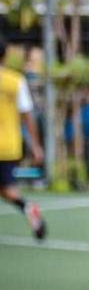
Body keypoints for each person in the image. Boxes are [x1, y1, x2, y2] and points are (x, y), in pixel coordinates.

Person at [0, 34, 46, 240]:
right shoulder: (16, 81)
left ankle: (28, 207)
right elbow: (28, 115)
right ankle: (28, 208)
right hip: (10, 145)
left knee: (6, 189)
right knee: (6, 187)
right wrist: (36, 145)